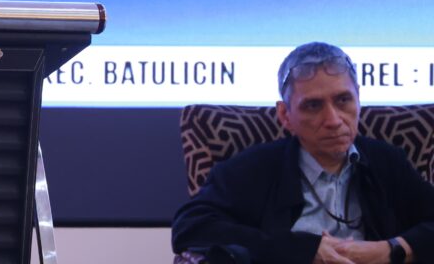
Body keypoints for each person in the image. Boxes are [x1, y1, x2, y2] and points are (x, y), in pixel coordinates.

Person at [172, 41, 434, 264]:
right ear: (285, 115)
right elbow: (190, 227)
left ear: (358, 99)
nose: (333, 120)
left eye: (343, 100)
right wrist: (302, 250)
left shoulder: (387, 162)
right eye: (313, 106)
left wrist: (391, 249)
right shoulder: (253, 169)